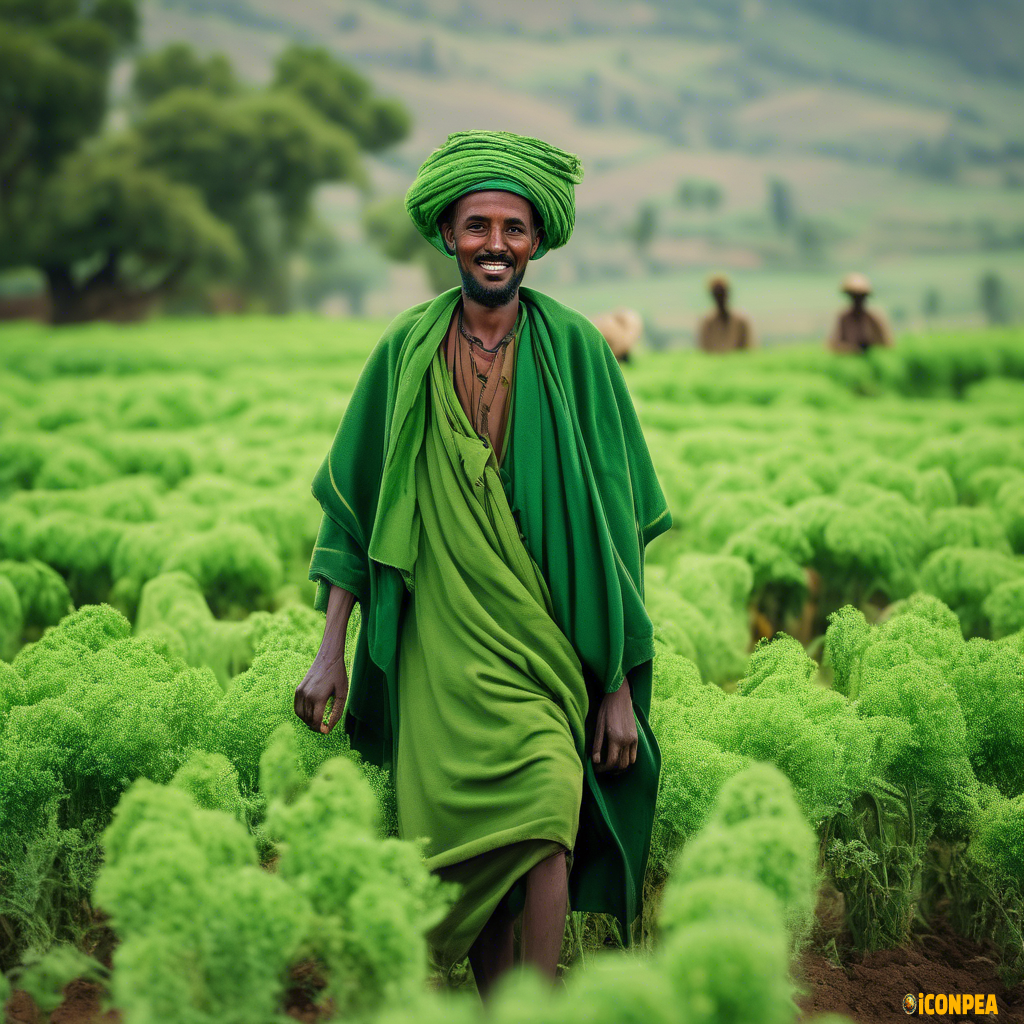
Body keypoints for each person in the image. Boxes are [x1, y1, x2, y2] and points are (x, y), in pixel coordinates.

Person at [293, 130, 671, 998]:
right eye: (477, 226)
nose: (495, 243)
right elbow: (356, 509)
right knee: (467, 849)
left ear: (537, 240)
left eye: (513, 228)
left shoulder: (576, 351)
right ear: (447, 235)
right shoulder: (405, 347)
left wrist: (616, 681)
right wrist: (329, 651)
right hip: (438, 645)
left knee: (547, 815)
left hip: (546, 643)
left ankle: (534, 1011)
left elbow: (615, 531)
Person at [827, 272, 892, 353]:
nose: (857, 300)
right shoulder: (844, 317)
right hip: (850, 357)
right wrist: (852, 349)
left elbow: (886, 343)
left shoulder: (873, 317)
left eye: (860, 296)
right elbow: (833, 344)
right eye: (854, 296)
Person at [696, 274, 756, 352]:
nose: (720, 297)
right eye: (717, 293)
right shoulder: (707, 322)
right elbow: (704, 349)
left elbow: (748, 348)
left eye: (721, 293)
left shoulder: (741, 321)